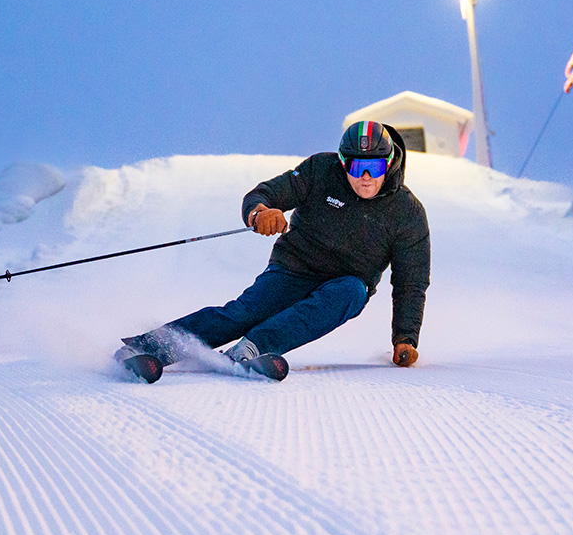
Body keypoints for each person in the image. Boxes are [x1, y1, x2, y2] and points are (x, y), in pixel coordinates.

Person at [116, 120, 430, 371]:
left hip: (343, 286)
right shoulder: (320, 171)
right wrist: (260, 212)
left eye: (374, 168)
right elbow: (263, 194)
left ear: (388, 164)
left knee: (352, 292)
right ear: (343, 162)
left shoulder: (406, 213)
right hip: (293, 269)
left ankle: (252, 349)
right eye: (356, 167)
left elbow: (410, 283)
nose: (364, 177)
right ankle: (145, 347)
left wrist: (405, 338)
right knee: (243, 314)